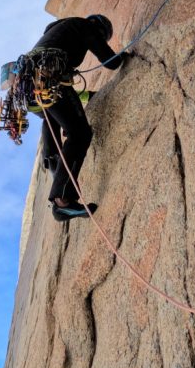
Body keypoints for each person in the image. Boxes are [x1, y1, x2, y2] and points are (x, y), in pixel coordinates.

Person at [29, 14, 125, 222]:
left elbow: (68, 98)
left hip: (28, 91)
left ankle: (52, 159)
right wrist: (123, 57)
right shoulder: (82, 25)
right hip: (50, 79)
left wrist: (90, 96)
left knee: (51, 115)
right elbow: (109, 61)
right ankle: (63, 201)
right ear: (98, 27)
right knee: (80, 134)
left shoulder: (55, 36)